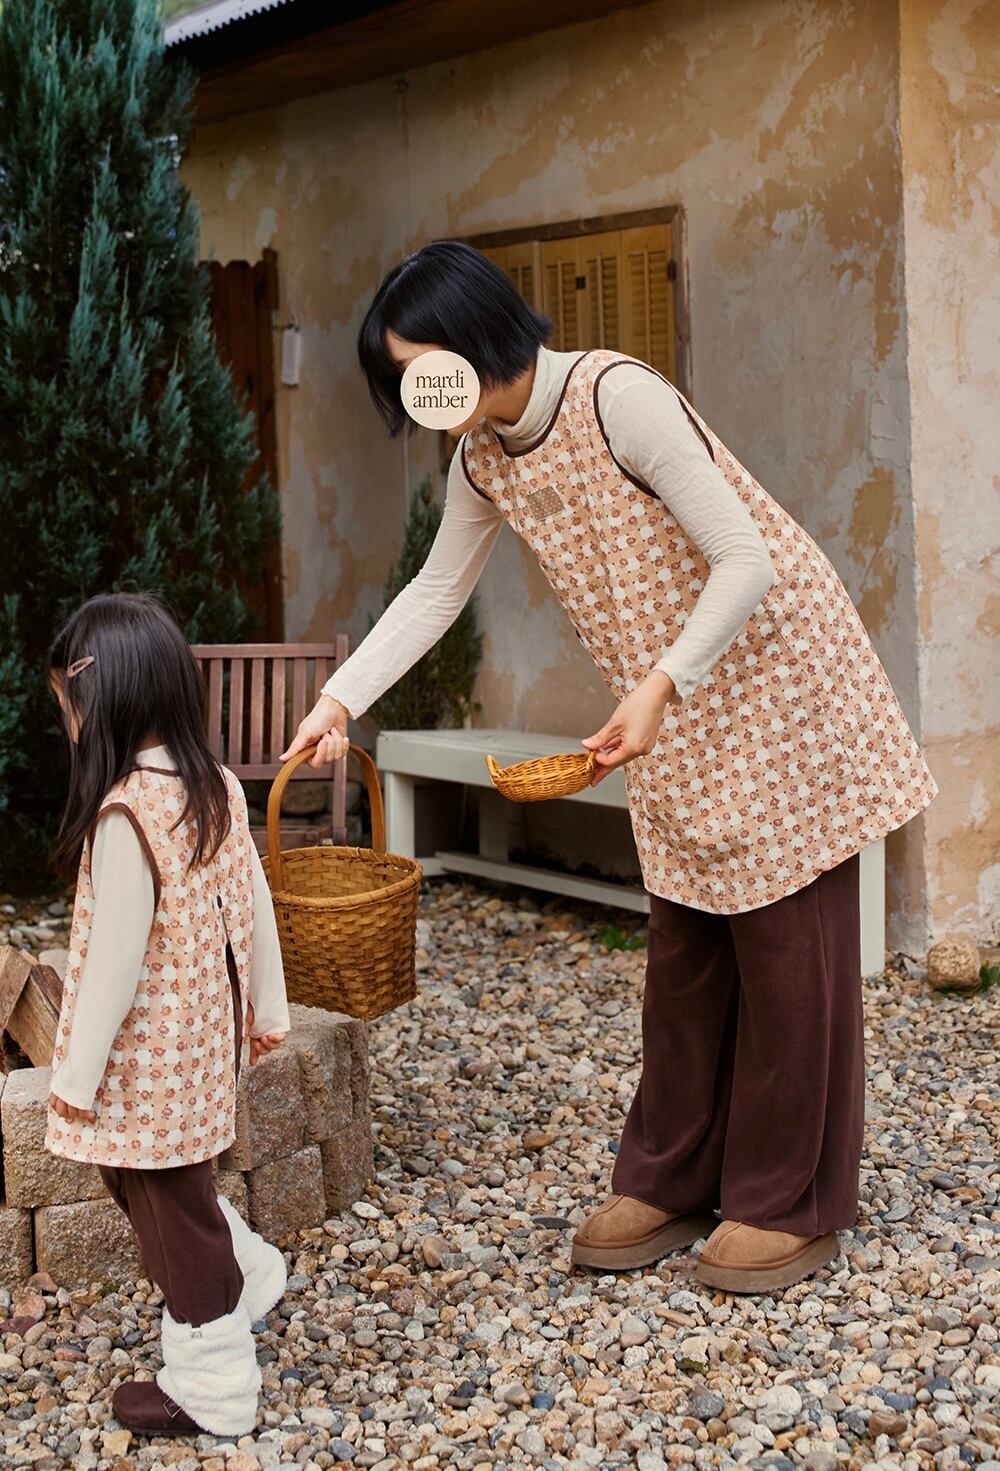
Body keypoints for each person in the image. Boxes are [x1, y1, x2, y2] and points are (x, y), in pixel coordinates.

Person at [282, 241, 938, 1293]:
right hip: (673, 699)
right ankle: (671, 1177)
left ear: (475, 335)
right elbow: (435, 591)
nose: (416, 394)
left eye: (420, 368)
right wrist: (339, 699)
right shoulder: (483, 456)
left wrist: (661, 683)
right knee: (685, 943)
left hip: (774, 673)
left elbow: (745, 558)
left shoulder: (616, 398)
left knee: (786, 947)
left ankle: (788, 1200)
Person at [45, 592, 291, 1435]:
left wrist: (75, 1075)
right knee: (156, 1185)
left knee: (168, 1210)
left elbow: (114, 962)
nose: (70, 726)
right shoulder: (213, 784)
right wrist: (266, 1006)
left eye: (70, 706)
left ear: (106, 695)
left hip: (148, 1063)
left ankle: (215, 1380)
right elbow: (255, 901)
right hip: (200, 1046)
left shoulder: (125, 813)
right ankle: (244, 1268)